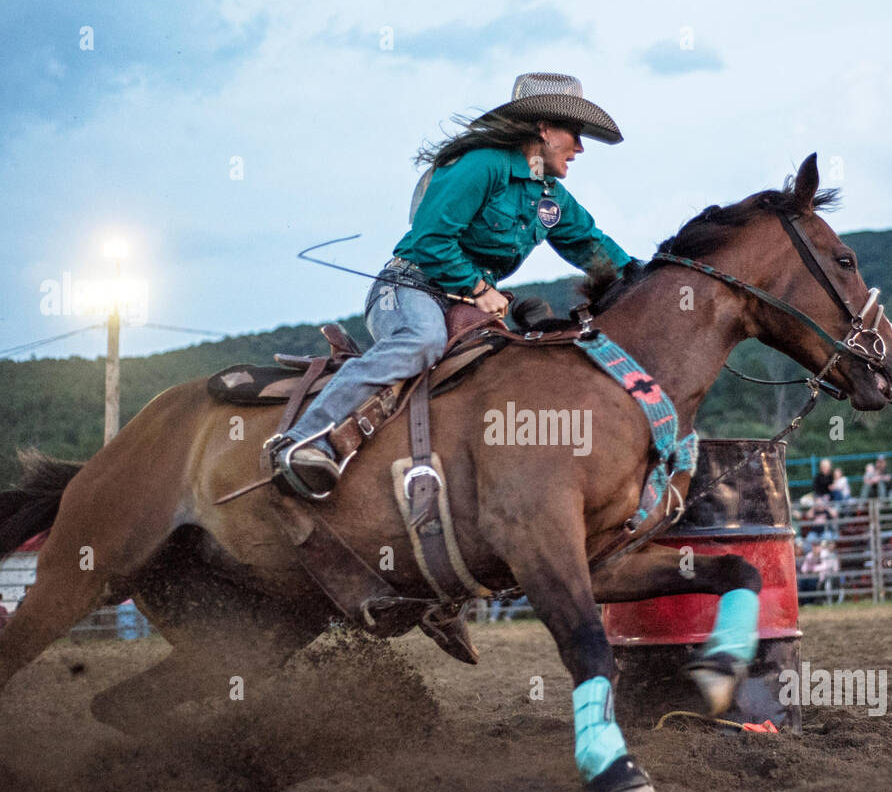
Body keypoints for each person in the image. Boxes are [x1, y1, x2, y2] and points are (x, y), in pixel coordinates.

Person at [268, 73, 635, 496]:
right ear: (545, 129)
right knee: (422, 341)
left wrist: (645, 279)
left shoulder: (551, 199)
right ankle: (303, 440)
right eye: (574, 134)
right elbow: (429, 240)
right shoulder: (482, 165)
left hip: (467, 306)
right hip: (410, 287)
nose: (581, 147)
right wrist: (480, 289)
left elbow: (592, 246)